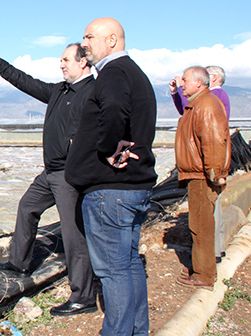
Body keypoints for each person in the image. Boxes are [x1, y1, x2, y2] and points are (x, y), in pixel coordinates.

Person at [0, 44, 97, 316]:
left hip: (70, 175)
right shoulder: (59, 91)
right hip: (50, 172)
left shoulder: (94, 92)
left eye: (65, 60)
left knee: (74, 235)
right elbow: (25, 82)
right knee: (27, 207)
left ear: (83, 61)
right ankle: (19, 263)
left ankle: (83, 298)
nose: (61, 64)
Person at [65, 18, 157, 336]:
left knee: (114, 272)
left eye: (90, 36)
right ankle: (136, 330)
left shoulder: (114, 73)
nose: (83, 43)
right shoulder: (133, 73)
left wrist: (105, 148)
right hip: (132, 188)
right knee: (129, 265)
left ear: (113, 40)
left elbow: (115, 107)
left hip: (111, 192)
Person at [174, 66, 231, 290]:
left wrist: (215, 174)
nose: (182, 84)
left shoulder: (206, 105)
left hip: (202, 175)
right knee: (199, 223)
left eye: (185, 80)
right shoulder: (197, 104)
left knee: (201, 226)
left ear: (199, 82)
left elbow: (214, 141)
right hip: (197, 173)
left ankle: (205, 275)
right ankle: (200, 268)